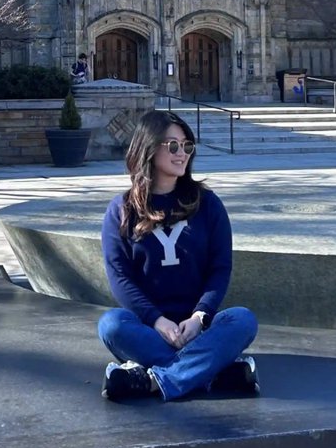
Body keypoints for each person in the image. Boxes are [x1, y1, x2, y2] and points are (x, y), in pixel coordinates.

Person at [98, 109, 259, 401]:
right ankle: (210, 371)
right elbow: (119, 277)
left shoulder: (207, 204)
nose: (181, 153)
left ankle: (153, 381)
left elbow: (220, 268)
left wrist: (199, 317)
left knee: (243, 320)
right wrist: (158, 321)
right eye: (172, 145)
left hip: (199, 326)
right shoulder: (121, 210)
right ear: (148, 148)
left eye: (186, 145)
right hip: (148, 329)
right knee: (111, 324)